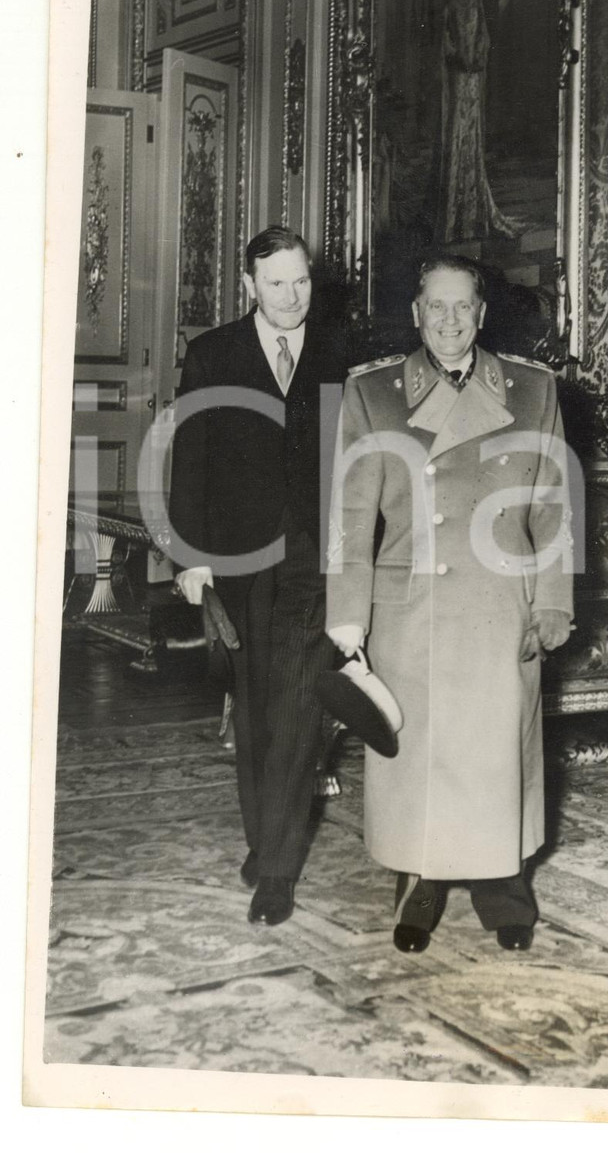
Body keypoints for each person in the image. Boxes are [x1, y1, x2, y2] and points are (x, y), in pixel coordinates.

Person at [326, 254, 573, 953]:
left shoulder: (532, 390)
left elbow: (553, 507)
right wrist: (348, 616)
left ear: (483, 312)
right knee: (421, 757)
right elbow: (351, 513)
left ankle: (506, 887)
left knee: (499, 755)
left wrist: (552, 600)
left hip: (500, 604)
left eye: (463, 306)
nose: (449, 321)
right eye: (435, 307)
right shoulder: (373, 394)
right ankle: (418, 884)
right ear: (415, 313)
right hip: (413, 608)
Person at [169, 225, 346, 926]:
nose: (292, 295)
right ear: (249, 285)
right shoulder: (212, 354)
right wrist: (192, 564)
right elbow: (191, 460)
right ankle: (264, 836)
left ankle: (276, 867)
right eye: (276, 283)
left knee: (301, 705)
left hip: (312, 555)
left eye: (301, 280)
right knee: (256, 710)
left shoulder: (338, 354)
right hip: (238, 561)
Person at [438, 0, 519, 243]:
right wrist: (459, 58)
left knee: (473, 138)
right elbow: (444, 45)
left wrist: (479, 58)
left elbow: (485, 37)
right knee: (459, 137)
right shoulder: (449, 7)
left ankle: (473, 213)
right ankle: (453, 215)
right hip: (459, 80)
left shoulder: (477, 3)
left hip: (474, 79)